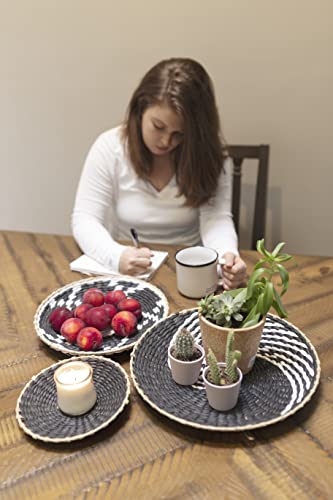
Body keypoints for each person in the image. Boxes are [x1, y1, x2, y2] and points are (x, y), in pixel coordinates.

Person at [72, 57, 247, 290]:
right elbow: (85, 218)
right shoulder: (109, 147)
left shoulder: (208, 155)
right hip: (129, 274)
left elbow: (216, 219)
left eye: (179, 134)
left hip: (189, 273)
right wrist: (116, 255)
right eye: (158, 127)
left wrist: (227, 257)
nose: (166, 141)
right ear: (140, 109)